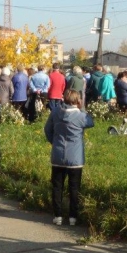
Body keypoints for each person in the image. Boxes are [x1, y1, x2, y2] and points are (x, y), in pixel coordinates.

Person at [44, 89, 94, 227]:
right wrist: (82, 108)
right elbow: (91, 122)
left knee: (57, 187)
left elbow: (47, 130)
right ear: (77, 100)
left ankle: (57, 216)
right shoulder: (80, 116)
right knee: (74, 188)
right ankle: (73, 217)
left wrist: (54, 143)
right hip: (75, 157)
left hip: (58, 155)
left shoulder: (55, 112)